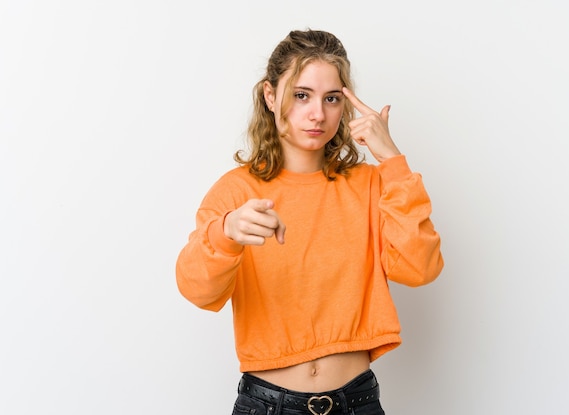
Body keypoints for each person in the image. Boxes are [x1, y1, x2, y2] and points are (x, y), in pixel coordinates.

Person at [176, 28, 444, 415]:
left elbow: (421, 268)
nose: (318, 114)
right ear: (271, 96)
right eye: (301, 95)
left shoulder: (370, 185)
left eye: (331, 98)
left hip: (357, 402)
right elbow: (196, 290)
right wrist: (226, 233)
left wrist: (392, 162)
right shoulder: (237, 191)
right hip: (267, 404)